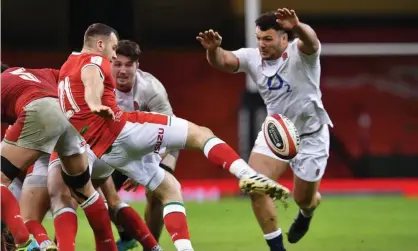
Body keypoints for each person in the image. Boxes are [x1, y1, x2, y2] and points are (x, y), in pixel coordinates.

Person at [59, 23, 289, 251]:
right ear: (100, 44)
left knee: (168, 189)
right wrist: (94, 103)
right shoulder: (95, 61)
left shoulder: (67, 67)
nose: (113, 55)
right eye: (113, 48)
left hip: (103, 148)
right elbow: (91, 79)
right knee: (201, 134)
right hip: (122, 129)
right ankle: (248, 174)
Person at [197, 8, 333, 251]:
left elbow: (311, 40)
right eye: (259, 38)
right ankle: (277, 248)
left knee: (303, 198)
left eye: (267, 38)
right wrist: (213, 50)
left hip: (312, 135)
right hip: (277, 133)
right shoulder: (252, 58)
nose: (261, 44)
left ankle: (308, 210)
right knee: (255, 184)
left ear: (284, 38)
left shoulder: (300, 53)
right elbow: (224, 62)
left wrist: (298, 26)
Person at [1, 64, 117, 251]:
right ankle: (109, 247)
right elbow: (72, 79)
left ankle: (24, 242)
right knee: (83, 190)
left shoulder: (3, 84)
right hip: (71, 120)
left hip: (41, 113)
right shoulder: (37, 72)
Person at [110, 39, 180, 250]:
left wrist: (145, 165)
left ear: (137, 66)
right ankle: (127, 235)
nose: (122, 70)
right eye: (117, 64)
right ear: (109, 63)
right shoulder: (97, 83)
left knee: (157, 192)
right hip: (122, 145)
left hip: (160, 142)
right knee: (98, 192)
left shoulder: (152, 90)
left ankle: (152, 246)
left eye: (128, 64)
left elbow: (169, 133)